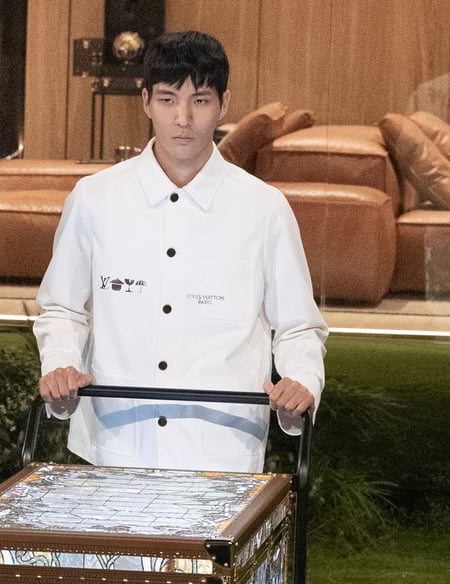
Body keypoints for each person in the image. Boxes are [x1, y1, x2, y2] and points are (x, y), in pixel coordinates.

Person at [34, 30, 327, 473]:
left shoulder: (265, 208)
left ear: (224, 104)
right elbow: (62, 308)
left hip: (225, 454)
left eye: (200, 100)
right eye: (168, 100)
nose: (183, 118)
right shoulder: (94, 198)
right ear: (146, 102)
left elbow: (299, 327)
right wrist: (61, 365)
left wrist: (299, 384)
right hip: (112, 448)